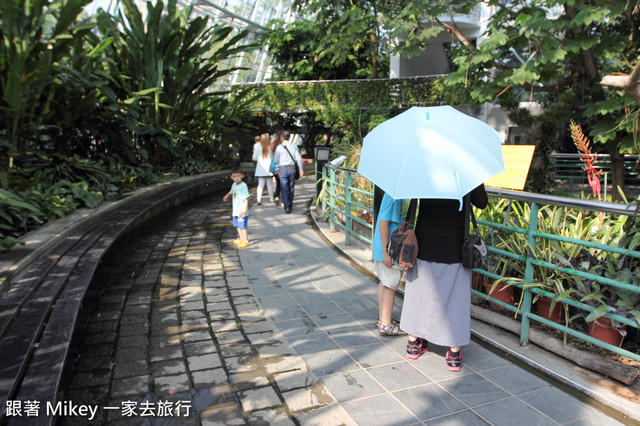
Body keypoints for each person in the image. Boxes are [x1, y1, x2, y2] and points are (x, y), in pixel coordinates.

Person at [400, 184, 488, 371]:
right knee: (456, 299)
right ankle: (454, 353)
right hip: (455, 246)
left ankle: (413, 343)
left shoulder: (425, 167)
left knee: (418, 295)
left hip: (424, 244)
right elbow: (482, 203)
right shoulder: (465, 171)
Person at [373, 191, 409, 336]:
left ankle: (383, 319)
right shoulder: (394, 195)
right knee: (390, 286)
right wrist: (386, 251)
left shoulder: (396, 194)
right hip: (390, 249)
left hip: (387, 248)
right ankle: (386, 325)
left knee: (384, 282)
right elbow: (383, 223)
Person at [273, 130, 303, 213]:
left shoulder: (279, 147)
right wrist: (301, 169)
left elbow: (275, 160)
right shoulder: (294, 146)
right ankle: (290, 204)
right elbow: (298, 159)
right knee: (291, 187)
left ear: (281, 137)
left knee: (284, 187)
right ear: (289, 137)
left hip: (283, 168)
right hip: (292, 168)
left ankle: (286, 206)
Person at [223, 168, 250, 248]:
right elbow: (231, 191)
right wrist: (227, 195)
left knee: (242, 226)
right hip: (235, 210)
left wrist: (245, 209)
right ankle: (241, 238)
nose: (236, 178)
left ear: (242, 176)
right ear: (231, 177)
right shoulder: (234, 184)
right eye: (234, 176)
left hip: (241, 211)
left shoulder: (243, 185)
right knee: (237, 225)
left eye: (238, 176)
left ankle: (246, 240)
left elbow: (246, 198)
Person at [252, 133, 274, 205]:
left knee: (260, 185)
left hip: (260, 169)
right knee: (269, 185)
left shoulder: (258, 147)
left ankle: (259, 200)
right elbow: (272, 158)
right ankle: (271, 199)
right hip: (269, 169)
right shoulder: (270, 147)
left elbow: (254, 158)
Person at [270, 131, 283, 204]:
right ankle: (282, 197)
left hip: (275, 166)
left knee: (278, 182)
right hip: (282, 166)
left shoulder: (273, 144)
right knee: (283, 182)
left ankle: (277, 195)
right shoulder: (281, 145)